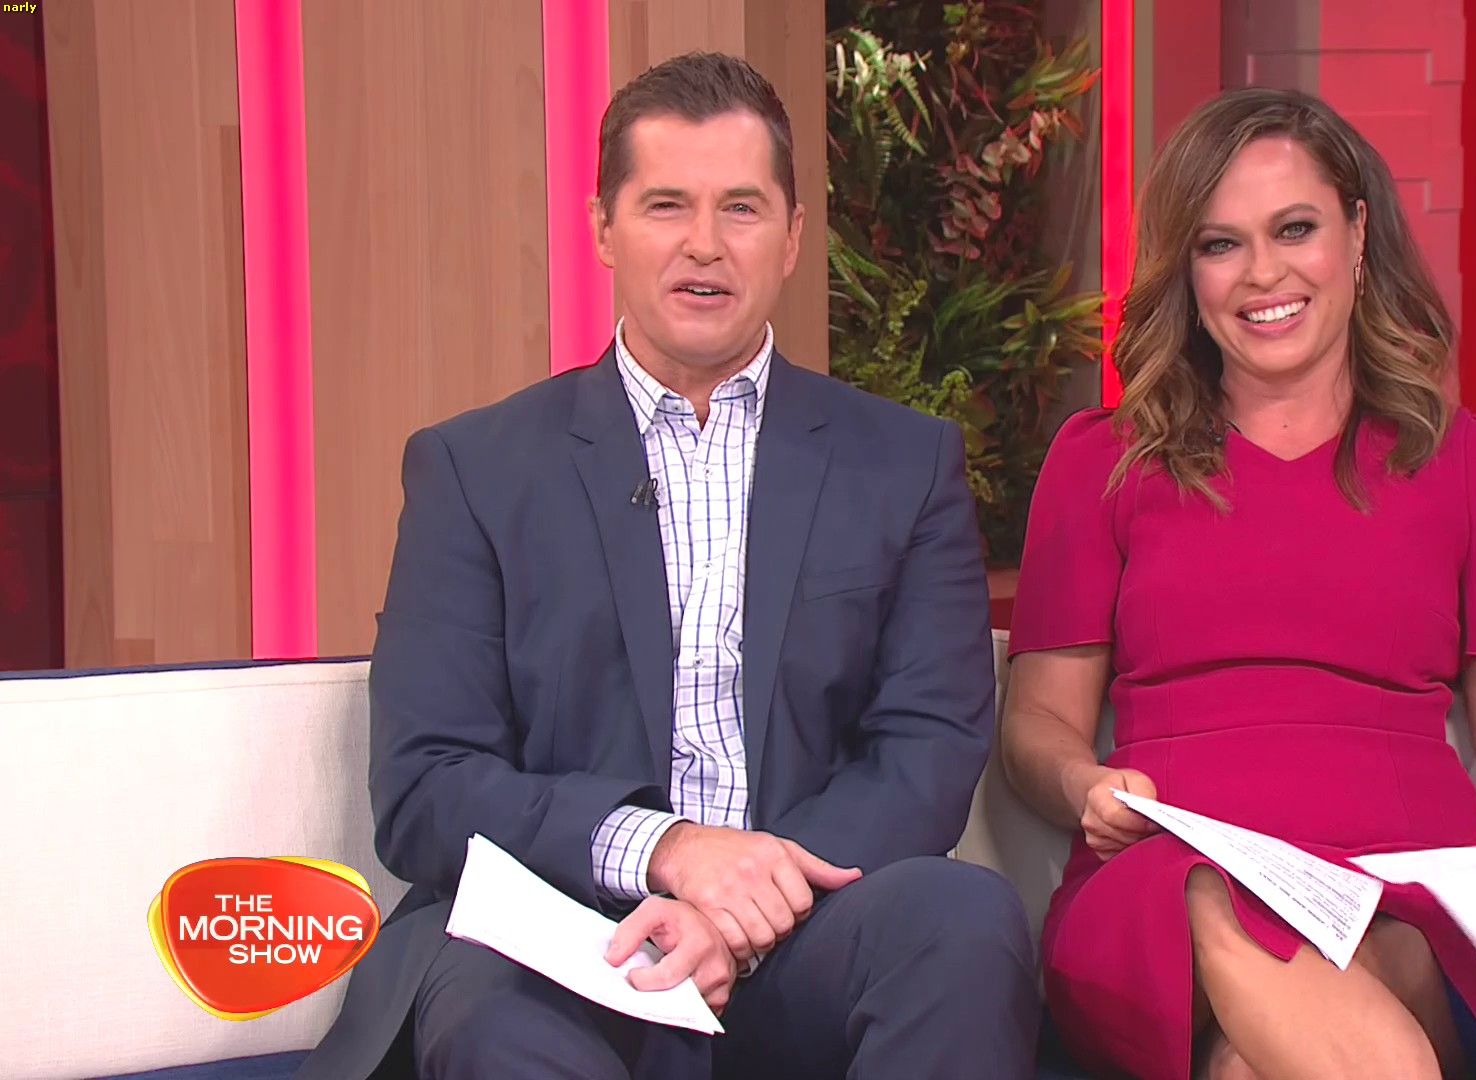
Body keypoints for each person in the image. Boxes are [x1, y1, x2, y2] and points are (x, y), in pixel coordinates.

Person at [297, 52, 1038, 1080]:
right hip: (562, 936)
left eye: (741, 208)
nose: (704, 245)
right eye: (665, 206)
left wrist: (739, 909)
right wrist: (667, 850)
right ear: (603, 227)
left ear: (792, 235)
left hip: (804, 929)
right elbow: (427, 786)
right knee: (490, 1021)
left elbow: (927, 749)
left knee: (962, 921)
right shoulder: (476, 469)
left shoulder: (903, 464)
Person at [999, 87, 1476, 1080]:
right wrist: (1082, 784)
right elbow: (1036, 724)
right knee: (1207, 892)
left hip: (1404, 899)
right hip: (1164, 893)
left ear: (1357, 233)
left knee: (1255, 1058)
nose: (1264, 273)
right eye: (1221, 244)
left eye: (1294, 229)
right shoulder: (1102, 464)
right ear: (1187, 271)